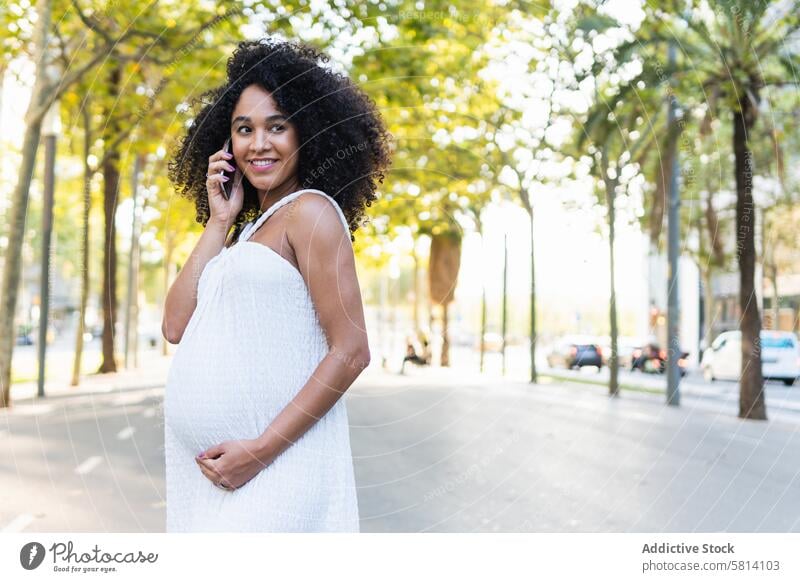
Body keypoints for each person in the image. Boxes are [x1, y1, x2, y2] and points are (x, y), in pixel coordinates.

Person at [161, 38, 392, 532]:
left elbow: (351, 350)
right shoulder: (247, 229)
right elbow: (176, 324)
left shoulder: (309, 214)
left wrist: (261, 451)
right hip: (223, 479)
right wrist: (219, 219)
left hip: (277, 472)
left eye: (277, 127)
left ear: (307, 132)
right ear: (225, 145)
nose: (258, 144)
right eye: (243, 130)